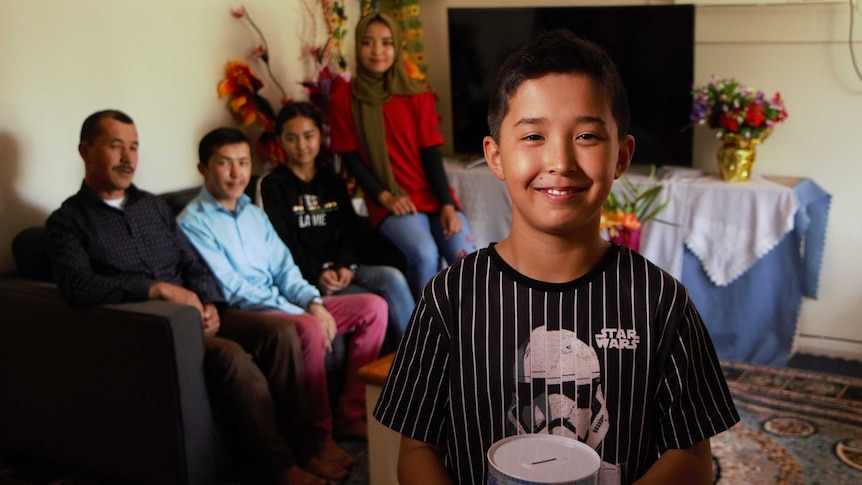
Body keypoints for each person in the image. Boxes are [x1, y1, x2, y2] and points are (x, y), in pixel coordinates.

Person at [373, 31, 740, 485]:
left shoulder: (661, 302)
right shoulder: (449, 298)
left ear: (622, 156)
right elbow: (417, 448)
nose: (559, 159)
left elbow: (690, 457)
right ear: (496, 156)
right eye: (532, 135)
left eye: (586, 135)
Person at [44, 110, 337, 485]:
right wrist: (154, 288)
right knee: (232, 358)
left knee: (280, 334)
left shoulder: (152, 207)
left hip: (200, 313)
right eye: (115, 146)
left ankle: (309, 447)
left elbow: (194, 264)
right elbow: (78, 287)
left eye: (134, 147)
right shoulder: (67, 222)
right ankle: (279, 466)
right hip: (155, 326)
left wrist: (211, 304)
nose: (128, 158)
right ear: (85, 151)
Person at [176, 127, 387, 457]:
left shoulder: (252, 213)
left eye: (244, 163)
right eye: (225, 163)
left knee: (373, 307)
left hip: (286, 302)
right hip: (249, 312)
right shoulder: (191, 223)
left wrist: (313, 301)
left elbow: (284, 268)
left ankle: (351, 413)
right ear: (203, 168)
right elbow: (233, 290)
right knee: (307, 328)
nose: (236, 173)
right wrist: (302, 313)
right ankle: (320, 438)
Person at [328, 11, 477, 297]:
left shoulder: (417, 94)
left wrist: (447, 205)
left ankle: (468, 330)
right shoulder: (344, 99)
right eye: (368, 43)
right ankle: (426, 333)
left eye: (386, 43)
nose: (378, 51)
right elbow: (350, 158)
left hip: (432, 196)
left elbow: (431, 155)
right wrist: (385, 197)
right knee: (424, 253)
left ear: (396, 47)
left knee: (465, 255)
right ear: (358, 46)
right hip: (388, 200)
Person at [259, 101, 415, 351]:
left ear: (320, 135)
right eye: (292, 138)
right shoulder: (273, 185)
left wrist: (346, 264)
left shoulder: (331, 180)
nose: (302, 145)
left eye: (308, 136)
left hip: (342, 268)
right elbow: (282, 242)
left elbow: (349, 230)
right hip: (308, 278)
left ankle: (422, 355)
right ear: (280, 140)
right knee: (374, 300)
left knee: (391, 277)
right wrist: (317, 273)